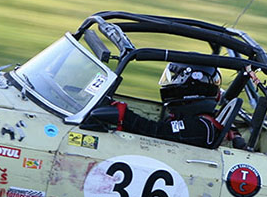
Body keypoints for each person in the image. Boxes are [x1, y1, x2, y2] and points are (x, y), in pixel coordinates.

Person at [101, 63, 244, 149]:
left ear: (190, 88)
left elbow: (156, 132)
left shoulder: (200, 127)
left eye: (175, 78)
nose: (171, 82)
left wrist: (123, 114)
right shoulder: (196, 121)